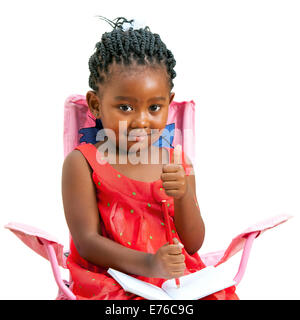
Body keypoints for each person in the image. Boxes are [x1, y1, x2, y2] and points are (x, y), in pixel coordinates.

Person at [61, 16, 238, 300]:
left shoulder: (177, 163)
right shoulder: (82, 163)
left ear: (169, 102)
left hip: (175, 282)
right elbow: (86, 242)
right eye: (125, 107)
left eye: (155, 107)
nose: (141, 121)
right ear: (96, 104)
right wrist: (150, 264)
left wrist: (182, 197)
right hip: (113, 278)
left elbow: (192, 244)